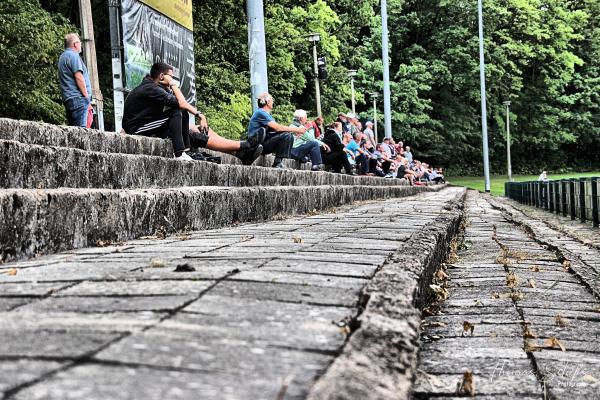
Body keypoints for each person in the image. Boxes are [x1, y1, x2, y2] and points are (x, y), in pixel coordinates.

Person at [123, 62, 263, 162]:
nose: (173, 80)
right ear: (161, 77)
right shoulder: (151, 88)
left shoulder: (155, 88)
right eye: (170, 76)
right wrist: (199, 114)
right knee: (179, 114)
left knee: (189, 127)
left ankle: (242, 149)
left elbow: (181, 106)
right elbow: (182, 103)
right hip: (138, 128)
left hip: (150, 124)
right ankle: (180, 153)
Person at [246, 93, 306, 168]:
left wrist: (294, 131)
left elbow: (276, 130)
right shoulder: (261, 113)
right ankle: (277, 163)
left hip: (262, 143)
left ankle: (278, 162)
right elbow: (278, 128)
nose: (273, 102)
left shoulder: (264, 114)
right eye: (272, 100)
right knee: (287, 135)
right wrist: (297, 130)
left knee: (288, 135)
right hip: (257, 145)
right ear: (267, 102)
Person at [58, 33, 92, 128]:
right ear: (75, 44)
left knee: (73, 130)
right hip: (79, 99)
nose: (81, 44)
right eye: (79, 42)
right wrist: (86, 97)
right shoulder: (74, 56)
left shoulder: (63, 57)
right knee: (81, 131)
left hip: (69, 99)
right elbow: (78, 77)